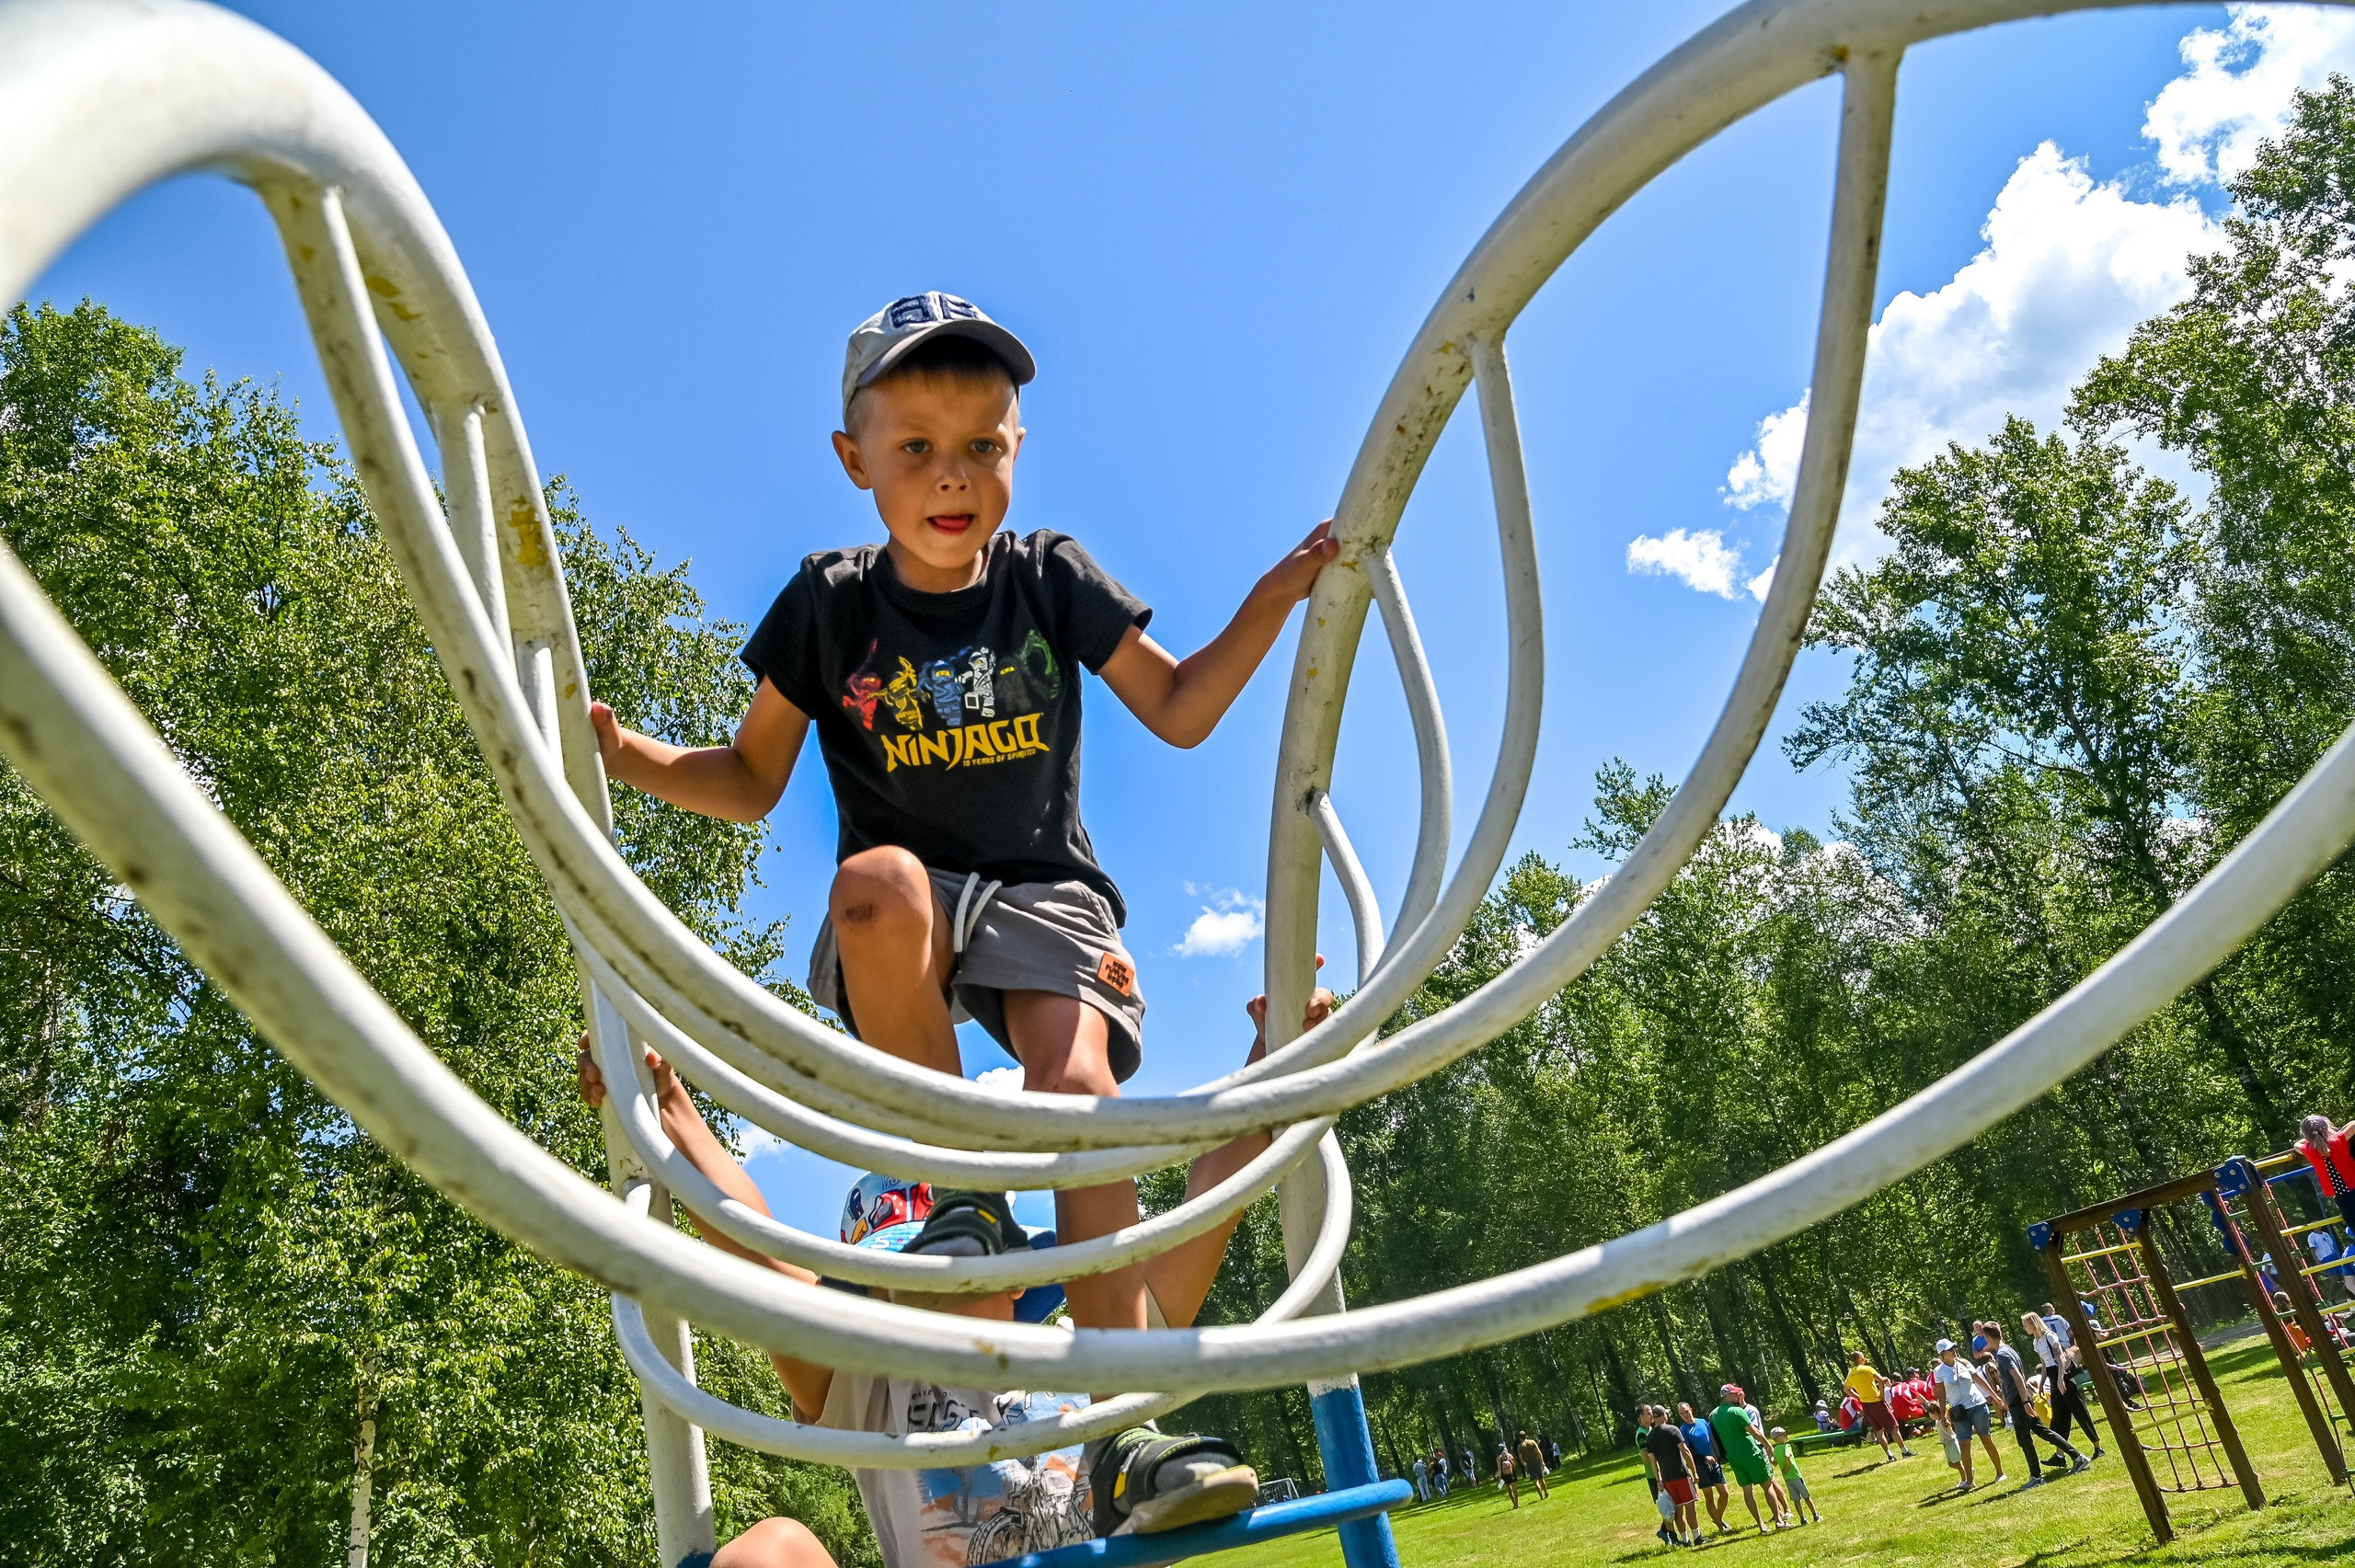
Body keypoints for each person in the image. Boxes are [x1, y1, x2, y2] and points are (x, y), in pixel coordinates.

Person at [588, 292, 1339, 1352]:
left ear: (1018, 448)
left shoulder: (1045, 576)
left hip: (1044, 892)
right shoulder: (830, 603)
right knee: (874, 884)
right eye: (916, 448)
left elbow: (1177, 709)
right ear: (856, 460)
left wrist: (1269, 599)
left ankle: (1122, 1405)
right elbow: (752, 779)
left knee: (1075, 1084)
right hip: (914, 911)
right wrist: (626, 756)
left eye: (982, 445)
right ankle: (965, 1196)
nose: (952, 474)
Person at [573, 983, 1333, 1566]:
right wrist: (669, 1104)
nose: (935, 1293)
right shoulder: (871, 1395)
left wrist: (1274, 1058)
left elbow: (1206, 1205)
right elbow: (761, 1257)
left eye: (958, 1263)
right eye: (905, 1280)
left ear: (1013, 1272)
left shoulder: (1096, 1346)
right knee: (772, 1548)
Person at [1985, 1321, 2089, 1486]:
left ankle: (2036, 1477)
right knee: (2043, 1432)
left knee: (2025, 1440)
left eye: (1985, 1338)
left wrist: (2025, 1402)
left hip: (2020, 1402)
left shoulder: (2003, 1355)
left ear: (1989, 1337)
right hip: (2021, 1399)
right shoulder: (2009, 1350)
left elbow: (2018, 1377)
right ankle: (2078, 1456)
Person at [2021, 1310, 2101, 1459]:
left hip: (2062, 1377)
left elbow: (2061, 1358)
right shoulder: (2036, 1341)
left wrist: (2060, 1379)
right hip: (2053, 1378)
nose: (2024, 1328)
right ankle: (2060, 1455)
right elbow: (2045, 1364)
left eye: (2025, 1325)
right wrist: (2042, 1384)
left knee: (2079, 1410)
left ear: (2033, 1323)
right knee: (2059, 1417)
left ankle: (2098, 1446)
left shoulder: (2049, 1336)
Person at [1707, 1385, 1786, 1531]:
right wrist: (1769, 1446)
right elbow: (1755, 1432)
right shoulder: (1737, 1411)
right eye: (1736, 1395)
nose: (1739, 1397)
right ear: (1728, 1396)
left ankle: (1761, 1525)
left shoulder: (1714, 1414)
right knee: (1767, 1485)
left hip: (1734, 1458)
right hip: (1751, 1453)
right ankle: (1779, 1520)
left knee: (1747, 1491)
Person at [1934, 1338, 2007, 1492]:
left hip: (1977, 1405)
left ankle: (2000, 1473)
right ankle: (1969, 1480)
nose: (1954, 1350)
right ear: (1942, 1354)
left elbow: (1979, 1380)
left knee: (1986, 1439)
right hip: (1959, 1411)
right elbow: (1941, 1394)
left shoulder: (1965, 1363)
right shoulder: (1939, 1371)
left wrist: (1995, 1397)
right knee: (1964, 1445)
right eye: (1949, 1349)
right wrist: (1943, 1415)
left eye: (1954, 1347)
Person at [1641, 1405, 1701, 1547]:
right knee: (1690, 1507)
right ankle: (1697, 1537)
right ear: (1663, 1416)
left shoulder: (1650, 1436)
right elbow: (1685, 1451)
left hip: (1667, 1479)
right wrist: (1694, 1471)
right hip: (1681, 1474)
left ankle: (1685, 1540)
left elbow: (1652, 1460)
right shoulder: (1673, 1430)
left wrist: (1658, 1480)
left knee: (1679, 1510)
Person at [1844, 1350, 1913, 1462]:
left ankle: (1889, 1455)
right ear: (1860, 1358)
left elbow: (1846, 1389)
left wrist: (1859, 1397)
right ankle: (1904, 1451)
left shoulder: (1851, 1373)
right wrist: (1881, 1394)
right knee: (1893, 1427)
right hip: (1876, 1402)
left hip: (1866, 1405)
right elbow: (1881, 1380)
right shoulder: (1867, 1368)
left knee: (1878, 1430)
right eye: (1863, 1356)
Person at [1677, 1400, 1732, 1535]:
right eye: (1682, 1413)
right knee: (1709, 1496)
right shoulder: (1683, 1430)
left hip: (1714, 1462)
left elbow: (1714, 1439)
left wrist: (1719, 1455)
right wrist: (1703, 1458)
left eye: (1686, 1411)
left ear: (1691, 1409)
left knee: (1724, 1493)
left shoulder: (1703, 1422)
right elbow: (1687, 1451)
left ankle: (1718, 1518)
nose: (1685, 1414)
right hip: (1700, 1465)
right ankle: (1720, 1527)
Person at [1769, 1427, 1821, 1525]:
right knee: (1807, 1497)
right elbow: (1788, 1456)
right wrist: (1787, 1466)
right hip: (1796, 1475)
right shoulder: (1787, 1446)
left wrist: (1771, 1457)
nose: (1786, 1436)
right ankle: (1815, 1516)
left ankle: (1803, 1519)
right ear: (1778, 1437)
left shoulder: (1775, 1449)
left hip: (1787, 1478)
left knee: (1796, 1500)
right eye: (1784, 1434)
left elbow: (1774, 1463)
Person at [1928, 1399, 1963, 1484]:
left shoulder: (1943, 1421)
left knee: (1958, 1463)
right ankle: (1966, 1471)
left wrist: (1947, 1421)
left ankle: (1965, 1478)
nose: (1929, 1415)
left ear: (1935, 1413)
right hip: (1946, 1443)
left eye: (1930, 1413)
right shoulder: (1937, 1421)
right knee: (1951, 1464)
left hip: (1951, 1442)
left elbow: (1949, 1424)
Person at [1516, 1430, 1550, 1500]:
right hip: (1537, 1462)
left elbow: (1521, 1459)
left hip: (1529, 1464)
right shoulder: (1532, 1442)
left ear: (1520, 1438)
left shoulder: (1520, 1447)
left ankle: (1540, 1496)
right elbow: (1539, 1453)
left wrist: (1525, 1466)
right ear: (1526, 1435)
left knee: (1535, 1480)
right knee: (1541, 1478)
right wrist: (1542, 1462)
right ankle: (1546, 1493)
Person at [1496, 1443, 1520, 1509]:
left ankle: (1514, 1504)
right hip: (1512, 1473)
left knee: (1510, 1490)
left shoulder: (1499, 1458)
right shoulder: (1509, 1455)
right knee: (1515, 1489)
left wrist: (1500, 1477)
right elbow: (1514, 1464)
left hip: (1504, 1475)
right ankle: (1517, 1504)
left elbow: (1499, 1468)